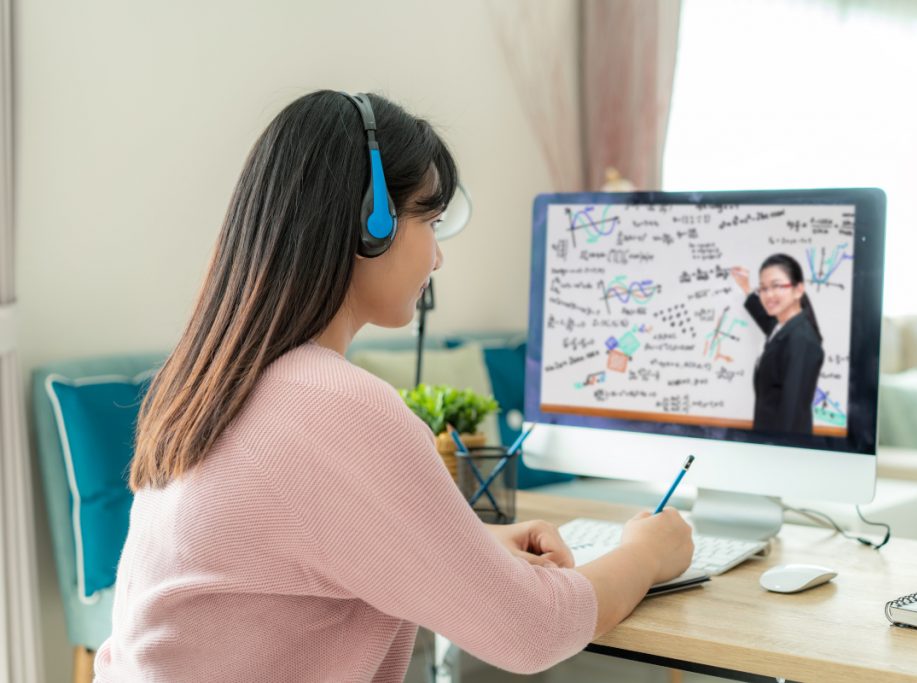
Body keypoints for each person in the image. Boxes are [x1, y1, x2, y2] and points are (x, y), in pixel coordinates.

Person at [92, 90, 694, 682]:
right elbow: (529, 630)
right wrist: (646, 554)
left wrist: (468, 552)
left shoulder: (208, 380)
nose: (437, 258)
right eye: (430, 221)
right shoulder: (333, 405)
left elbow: (275, 554)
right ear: (371, 223)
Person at [730, 254, 824, 434]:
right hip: (768, 441)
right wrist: (747, 289)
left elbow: (792, 412)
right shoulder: (782, 327)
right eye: (763, 288)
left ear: (798, 290)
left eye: (777, 286)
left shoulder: (801, 340)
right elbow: (765, 319)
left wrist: (779, 454)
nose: (769, 294)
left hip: (782, 448)